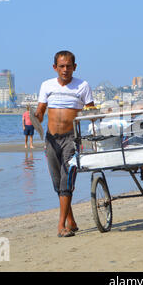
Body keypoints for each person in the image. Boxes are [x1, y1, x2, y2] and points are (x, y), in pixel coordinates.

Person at [34, 50, 94, 238]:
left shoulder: (82, 86)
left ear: (74, 67)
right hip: (51, 139)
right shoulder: (46, 85)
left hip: (72, 139)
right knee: (56, 182)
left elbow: (92, 112)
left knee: (67, 181)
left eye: (69, 66)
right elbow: (41, 111)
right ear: (55, 67)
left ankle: (61, 226)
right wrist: (34, 118)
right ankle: (71, 220)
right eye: (61, 66)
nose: (65, 69)